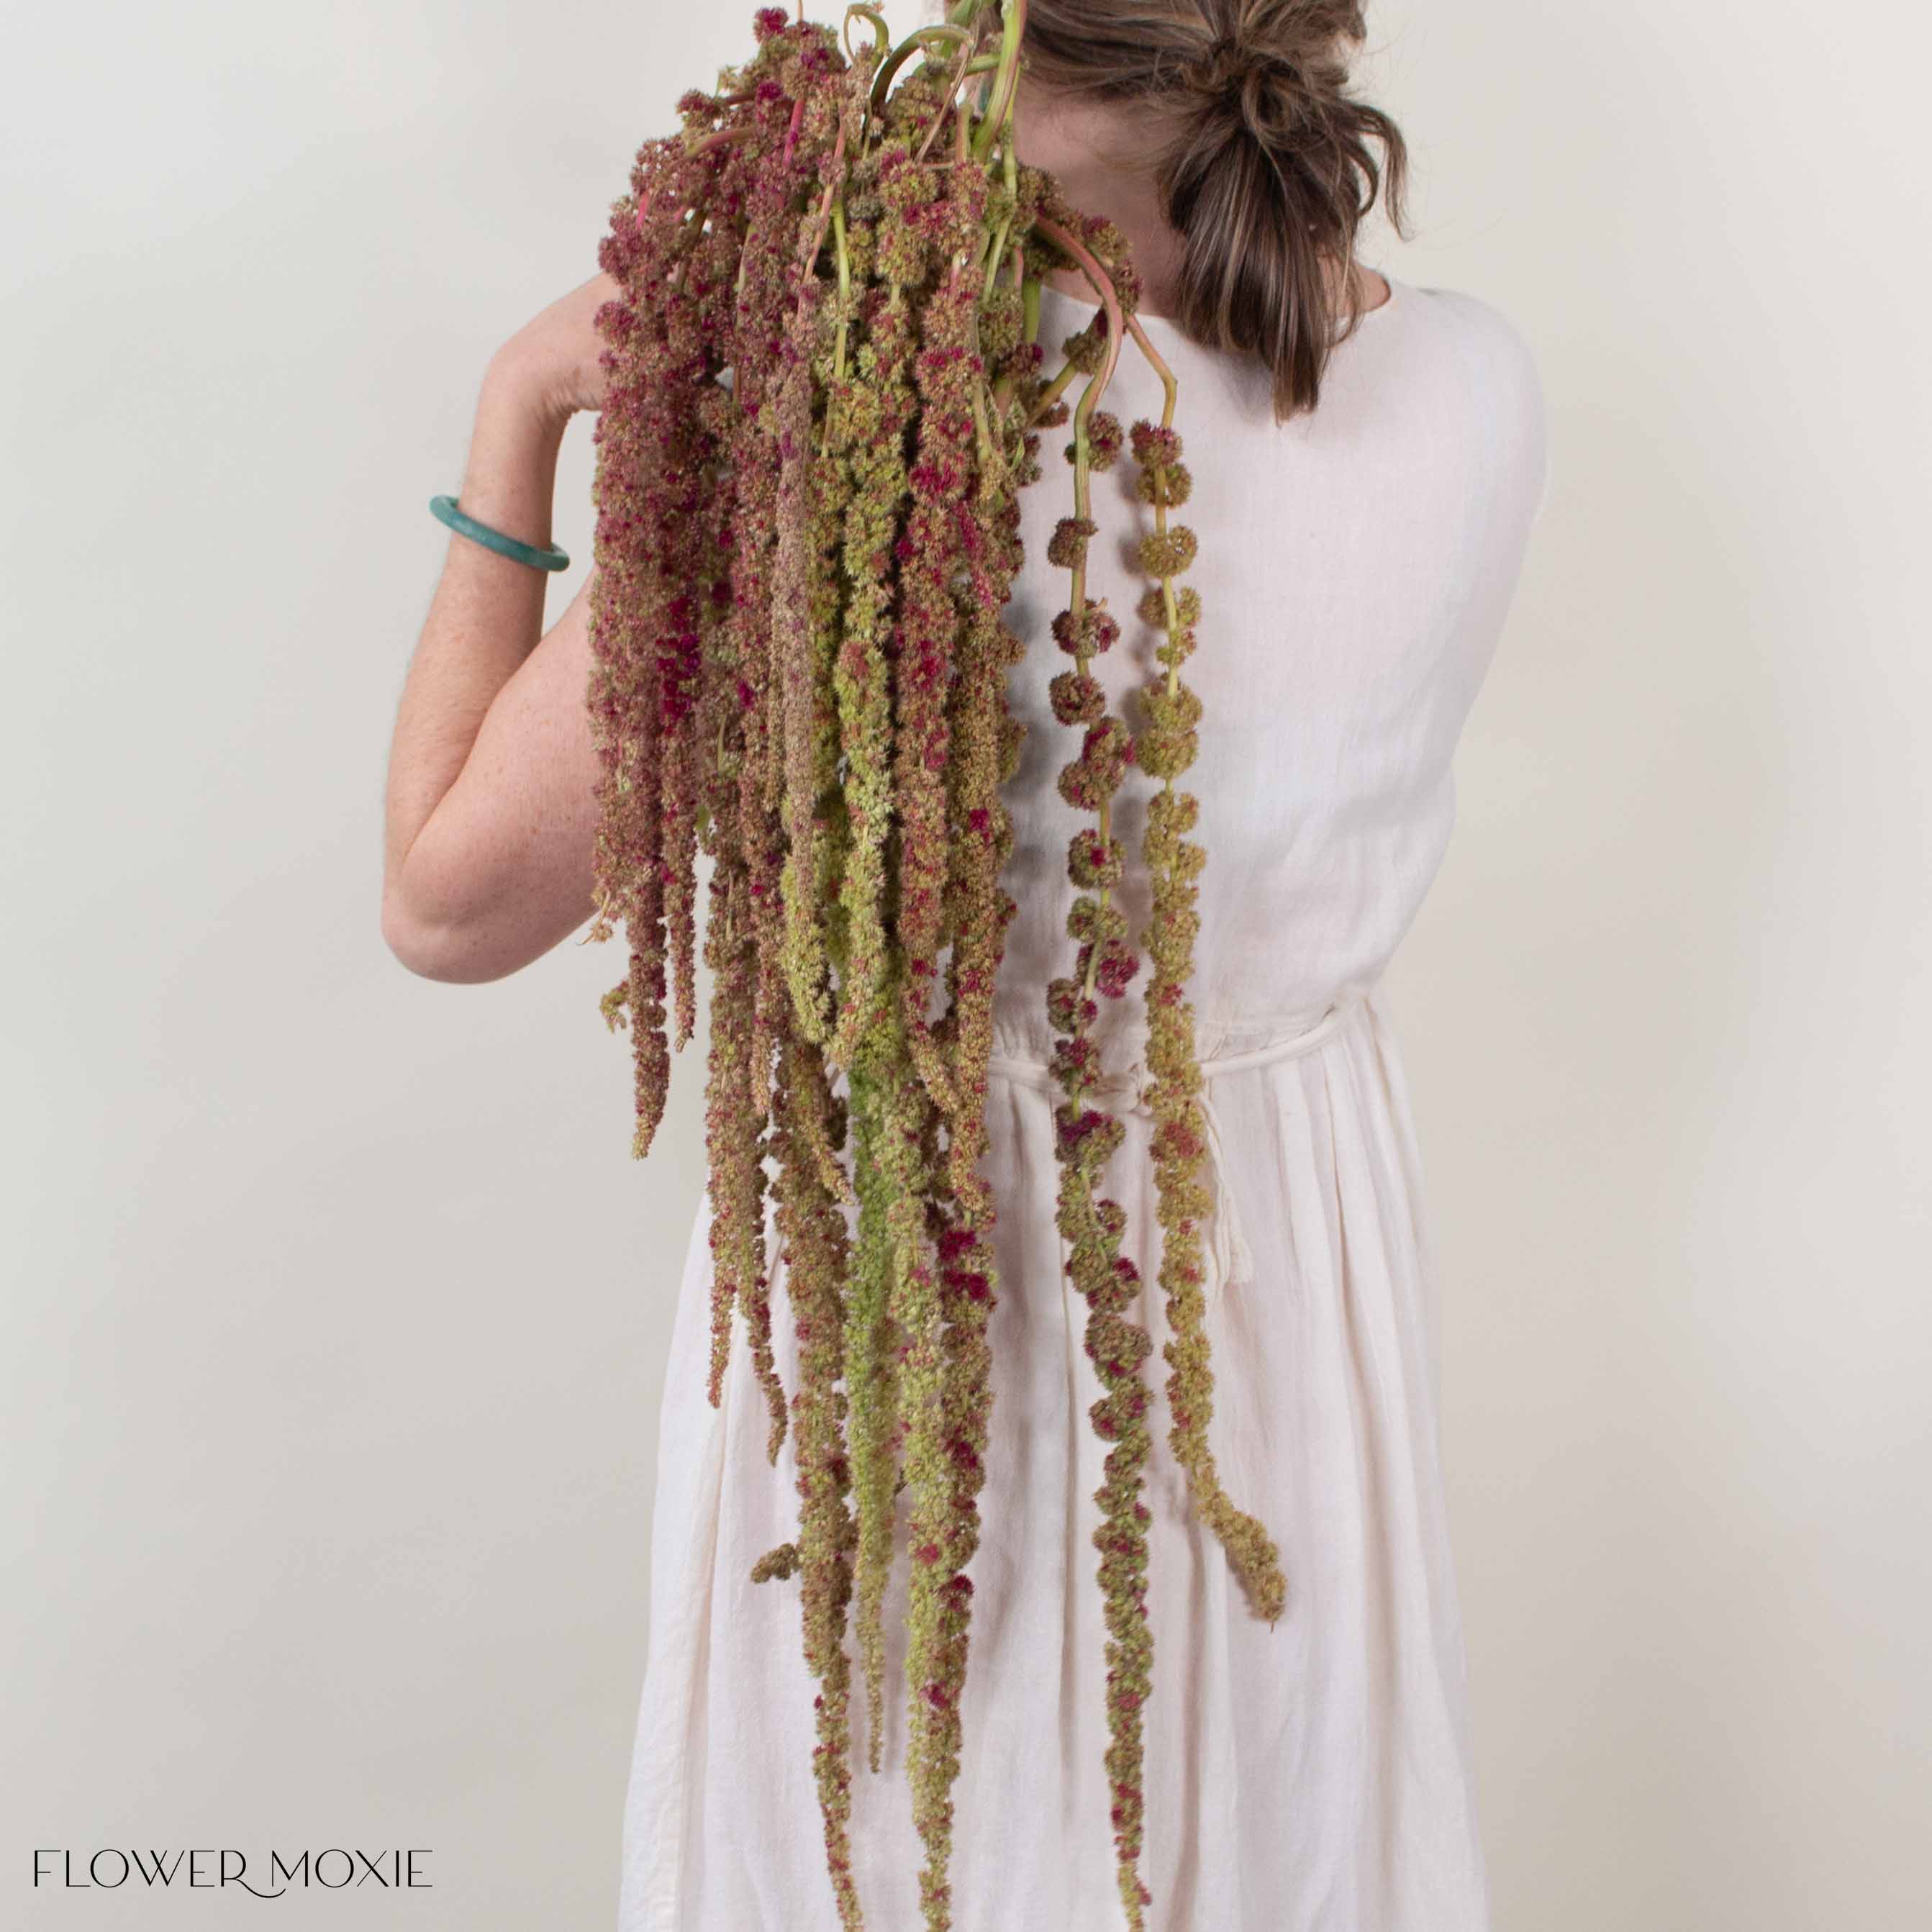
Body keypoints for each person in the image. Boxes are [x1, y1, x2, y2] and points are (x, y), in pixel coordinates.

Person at [381, 4, 1548, 1926]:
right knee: (1264, 1819)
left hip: (931, 1300)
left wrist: (520, 410)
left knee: (932, 1835)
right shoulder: (1482, 383)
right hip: (1295, 1280)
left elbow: (448, 903)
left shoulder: (878, 419)